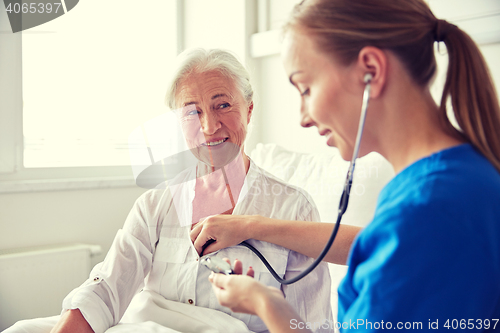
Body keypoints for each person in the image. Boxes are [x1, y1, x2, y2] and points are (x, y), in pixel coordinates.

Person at [193, 0, 500, 331]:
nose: (303, 117)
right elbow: (375, 242)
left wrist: (264, 303)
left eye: (306, 88)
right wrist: (252, 229)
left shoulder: (424, 211)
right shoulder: (466, 176)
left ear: (371, 70)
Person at [4, 48, 343, 333]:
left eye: (222, 105)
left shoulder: (292, 208)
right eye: (192, 111)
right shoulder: (155, 204)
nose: (209, 126)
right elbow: (106, 289)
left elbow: (312, 325)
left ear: (249, 109)